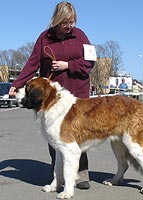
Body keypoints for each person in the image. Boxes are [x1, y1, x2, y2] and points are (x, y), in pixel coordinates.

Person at [9, 1, 96, 190]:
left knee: (78, 134)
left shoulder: (80, 35)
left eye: (72, 21)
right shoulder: (44, 38)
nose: (69, 26)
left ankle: (80, 174)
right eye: (65, 22)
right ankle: (58, 175)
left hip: (77, 93)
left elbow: (90, 62)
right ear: (56, 20)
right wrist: (17, 84)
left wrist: (69, 65)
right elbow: (32, 63)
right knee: (53, 134)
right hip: (51, 97)